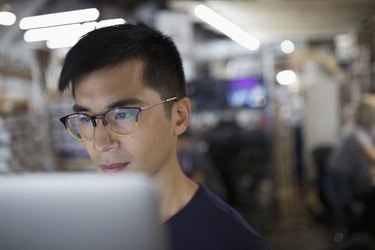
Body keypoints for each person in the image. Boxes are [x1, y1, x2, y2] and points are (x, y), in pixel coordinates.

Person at [57, 23, 271, 250]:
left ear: (179, 117)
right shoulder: (88, 228)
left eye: (122, 114)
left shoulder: (233, 243)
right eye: (84, 118)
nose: (100, 143)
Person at [323, 94, 375, 230]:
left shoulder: (367, 132)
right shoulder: (358, 135)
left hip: (351, 178)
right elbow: (372, 156)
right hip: (340, 182)